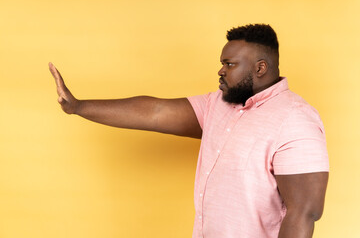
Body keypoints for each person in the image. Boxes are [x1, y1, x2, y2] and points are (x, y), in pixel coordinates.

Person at [49, 24, 329, 238]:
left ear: (260, 68)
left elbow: (305, 212)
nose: (220, 71)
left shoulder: (295, 119)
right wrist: (78, 106)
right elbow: (154, 112)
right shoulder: (217, 105)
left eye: (229, 64)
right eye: (222, 63)